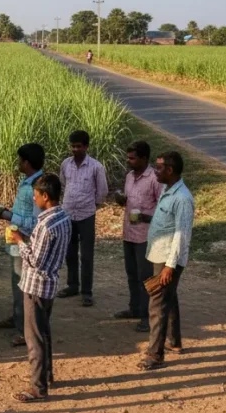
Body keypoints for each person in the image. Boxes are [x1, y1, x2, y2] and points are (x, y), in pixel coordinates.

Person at [11, 173, 71, 402]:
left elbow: (35, 260)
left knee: (34, 337)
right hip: (50, 285)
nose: (34, 199)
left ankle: (38, 387)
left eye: (36, 196)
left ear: (45, 196)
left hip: (35, 286)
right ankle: (47, 375)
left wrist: (19, 240)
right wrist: (28, 238)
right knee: (44, 332)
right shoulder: (63, 217)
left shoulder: (45, 224)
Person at [138, 151, 195, 371]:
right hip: (159, 253)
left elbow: (181, 235)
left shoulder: (182, 199)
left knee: (157, 305)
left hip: (168, 258)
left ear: (170, 170)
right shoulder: (168, 190)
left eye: (159, 167)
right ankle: (174, 341)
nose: (155, 170)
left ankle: (155, 354)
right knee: (168, 299)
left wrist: (170, 266)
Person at [0, 143, 45, 347]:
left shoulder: (38, 187)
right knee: (17, 283)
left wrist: (6, 214)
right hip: (18, 238)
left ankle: (25, 330)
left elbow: (35, 222)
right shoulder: (28, 182)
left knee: (24, 285)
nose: (18, 164)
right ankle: (18, 318)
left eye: (20, 160)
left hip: (25, 240)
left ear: (27, 162)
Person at [113, 141, 163, 332]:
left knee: (146, 277)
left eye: (133, 158)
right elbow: (128, 200)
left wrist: (144, 217)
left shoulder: (155, 179)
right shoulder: (129, 177)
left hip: (145, 235)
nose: (129, 161)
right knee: (132, 274)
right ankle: (134, 308)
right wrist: (120, 200)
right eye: (128, 158)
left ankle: (147, 316)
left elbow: (162, 209)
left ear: (144, 158)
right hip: (129, 233)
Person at [58, 130, 108, 306]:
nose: (75, 149)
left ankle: (87, 292)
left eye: (79, 146)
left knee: (86, 255)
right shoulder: (66, 164)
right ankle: (72, 285)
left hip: (87, 215)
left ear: (86, 146)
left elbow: (102, 192)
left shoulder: (96, 167)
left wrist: (92, 205)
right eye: (73, 146)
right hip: (68, 214)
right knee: (70, 253)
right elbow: (63, 183)